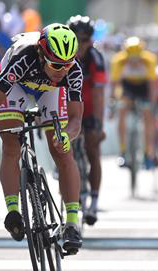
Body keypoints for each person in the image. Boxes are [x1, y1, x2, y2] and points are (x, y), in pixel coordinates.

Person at [0, 23, 84, 252]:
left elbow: (75, 120)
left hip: (50, 93)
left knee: (62, 151)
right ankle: (13, 211)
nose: (62, 70)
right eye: (56, 65)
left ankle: (72, 223)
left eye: (67, 64)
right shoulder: (23, 59)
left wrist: (66, 136)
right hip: (17, 86)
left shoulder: (72, 71)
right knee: (11, 144)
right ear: (42, 54)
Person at [67, 15, 107, 225]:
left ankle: (93, 201)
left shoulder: (95, 58)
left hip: (90, 109)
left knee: (93, 152)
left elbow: (100, 94)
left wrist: (98, 124)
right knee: (66, 152)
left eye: (85, 40)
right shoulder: (61, 54)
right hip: (68, 108)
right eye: (77, 39)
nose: (81, 44)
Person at [110, 36, 158, 168]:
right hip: (127, 87)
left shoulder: (149, 60)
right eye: (131, 59)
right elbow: (115, 85)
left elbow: (152, 85)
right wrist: (113, 102)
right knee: (122, 111)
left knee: (148, 117)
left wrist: (152, 104)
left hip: (143, 87)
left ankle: (147, 153)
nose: (134, 62)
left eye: (137, 58)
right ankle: (123, 151)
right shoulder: (118, 61)